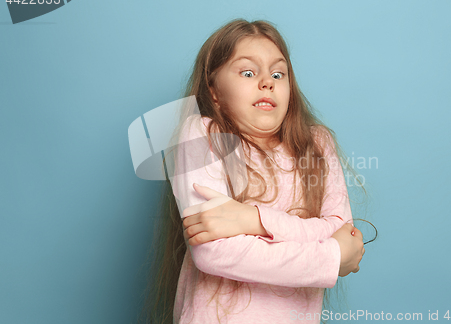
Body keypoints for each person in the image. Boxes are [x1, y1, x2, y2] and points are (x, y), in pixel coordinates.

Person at [139, 18, 366, 324]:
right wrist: (329, 256)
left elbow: (344, 235)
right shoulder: (201, 135)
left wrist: (253, 220)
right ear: (214, 90)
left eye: (278, 73)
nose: (267, 82)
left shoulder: (317, 144)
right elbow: (214, 252)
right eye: (248, 72)